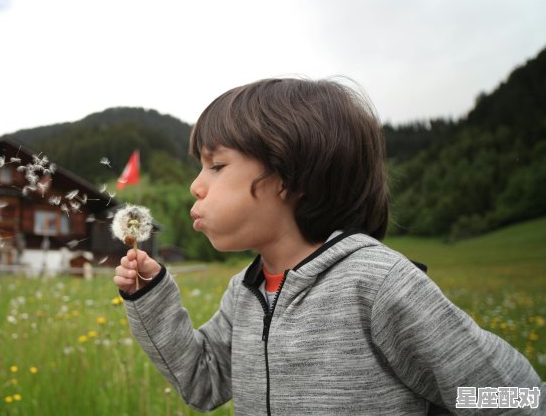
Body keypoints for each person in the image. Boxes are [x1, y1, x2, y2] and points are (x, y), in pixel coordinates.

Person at [113, 78, 544, 415]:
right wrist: (150, 297)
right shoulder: (245, 293)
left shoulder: (378, 285)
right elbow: (201, 382)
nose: (196, 185)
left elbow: (516, 396)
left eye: (217, 165)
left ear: (290, 177)